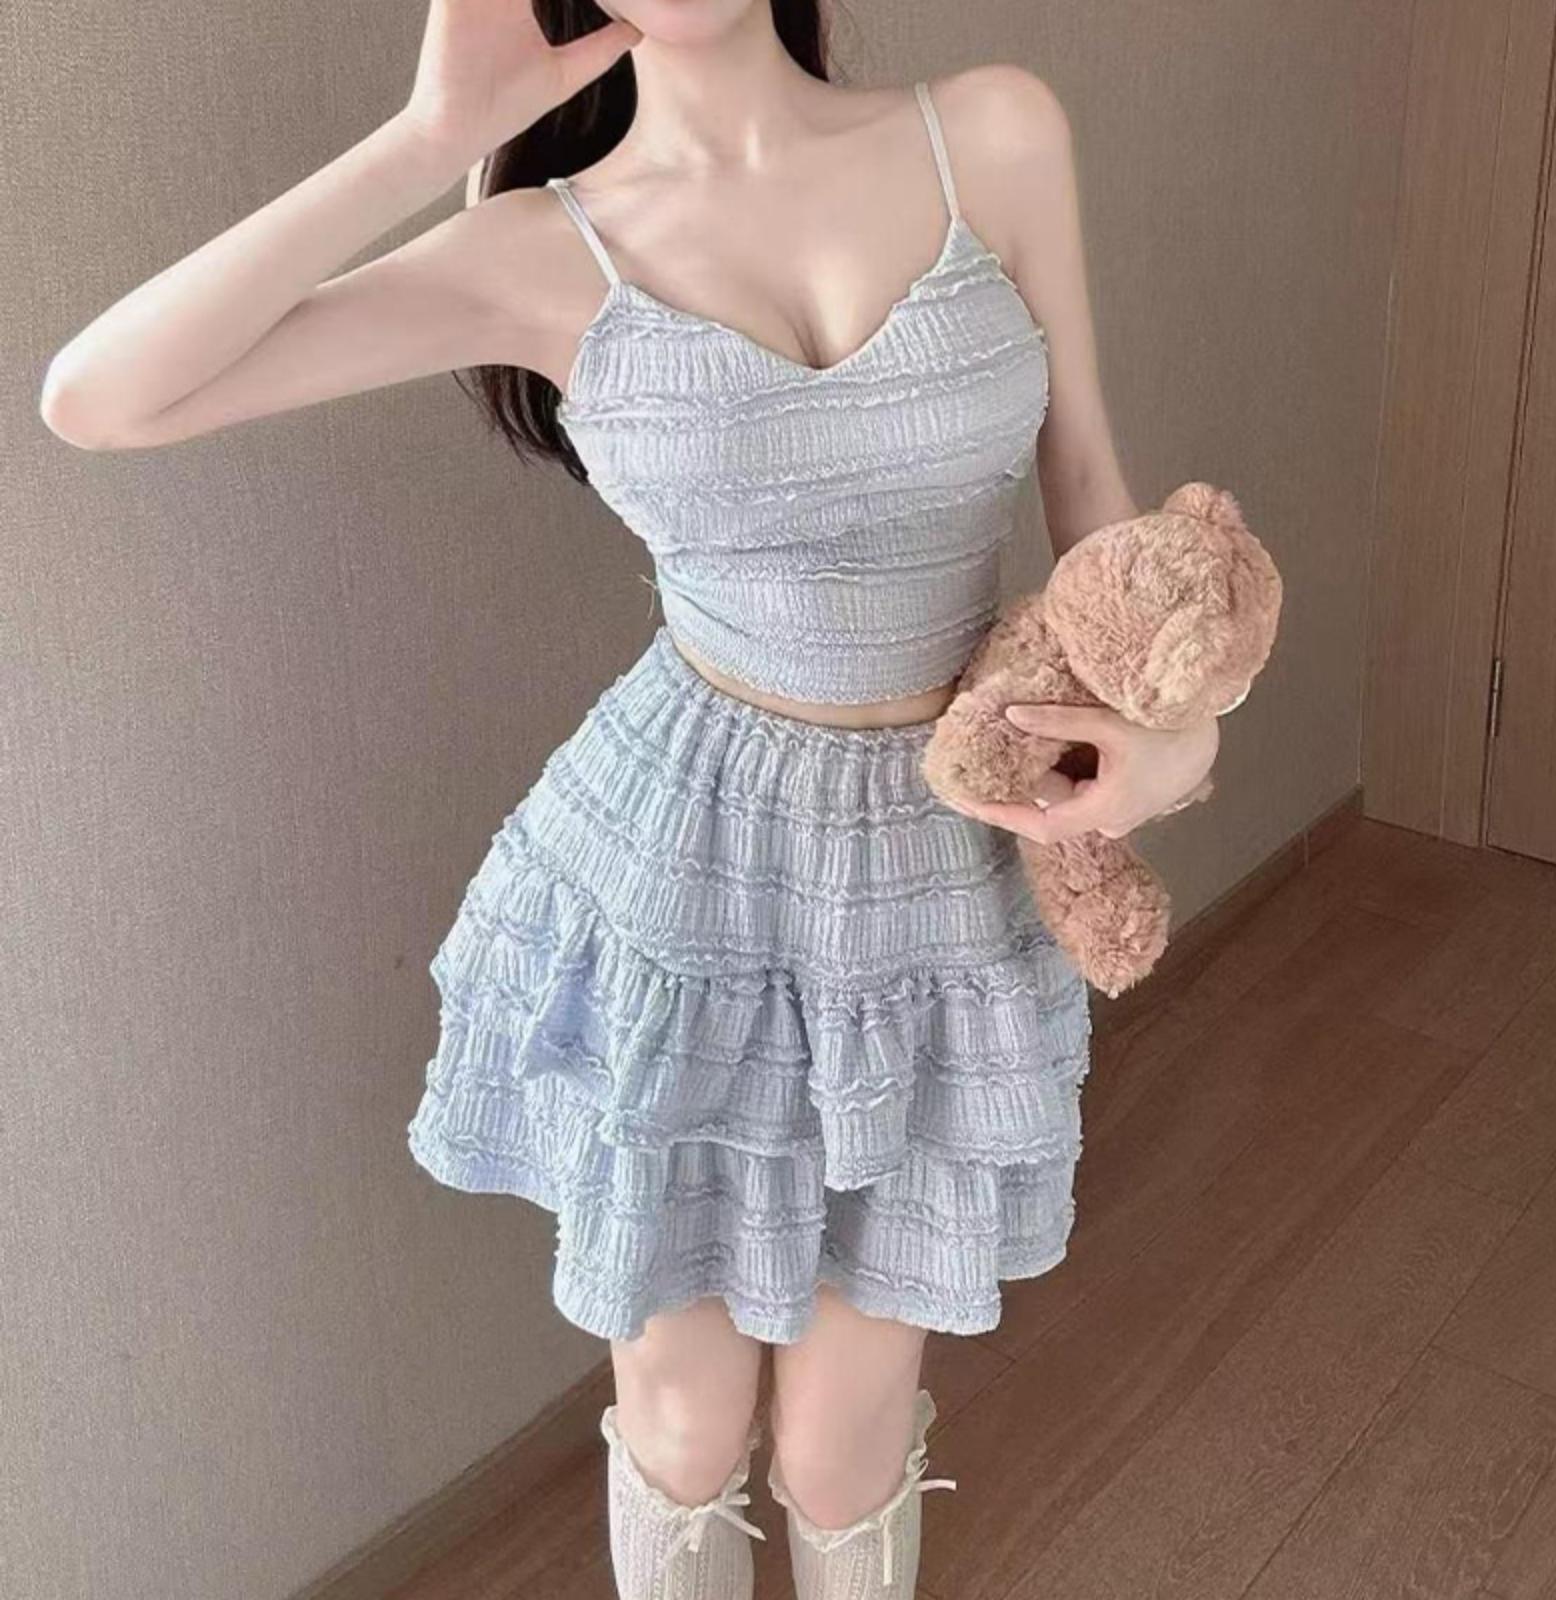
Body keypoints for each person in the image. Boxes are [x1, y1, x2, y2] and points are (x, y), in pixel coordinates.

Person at [39, 3, 1221, 1595]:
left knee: (846, 1437)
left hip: (943, 869)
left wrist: (1180, 746)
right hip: (684, 875)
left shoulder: (995, 134)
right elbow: (100, 397)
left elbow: (1098, 513)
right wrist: (429, 142)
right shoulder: (535, 247)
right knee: (682, 1417)